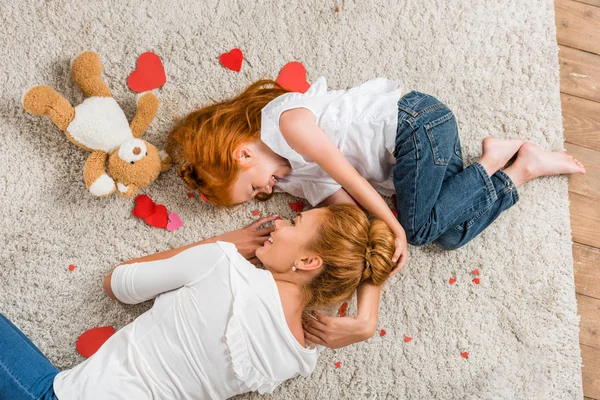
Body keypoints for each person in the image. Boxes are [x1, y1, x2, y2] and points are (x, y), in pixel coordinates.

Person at [166, 77, 586, 348]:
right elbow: (361, 227)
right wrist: (368, 314)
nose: (268, 191)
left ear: (241, 153)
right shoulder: (297, 180)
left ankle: (489, 165)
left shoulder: (285, 122)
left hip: (417, 126)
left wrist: (394, 225)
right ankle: (519, 167)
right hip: (410, 166)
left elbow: (348, 177)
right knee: (449, 235)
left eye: (255, 187)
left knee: (417, 230)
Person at [0, 204, 394, 400]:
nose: (278, 223)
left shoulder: (222, 263)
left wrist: (225, 241)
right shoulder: (298, 357)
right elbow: (366, 247)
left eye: (293, 223)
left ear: (308, 261)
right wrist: (366, 319)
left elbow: (117, 284)